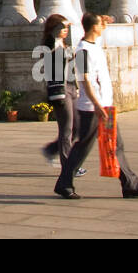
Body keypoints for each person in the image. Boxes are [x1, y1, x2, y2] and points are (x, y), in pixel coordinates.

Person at [54, 12, 138, 200]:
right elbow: (86, 81)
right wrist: (97, 105)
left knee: (116, 144)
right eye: (101, 24)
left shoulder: (94, 44)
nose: (103, 27)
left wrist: (104, 20)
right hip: (92, 108)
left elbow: (98, 31)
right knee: (83, 146)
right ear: (94, 27)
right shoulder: (83, 50)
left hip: (104, 106)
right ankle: (64, 184)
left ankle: (130, 185)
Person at [39, 14, 83, 176]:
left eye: (66, 28)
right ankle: (69, 167)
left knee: (78, 127)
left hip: (71, 88)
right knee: (66, 130)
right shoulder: (50, 47)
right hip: (60, 91)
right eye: (62, 28)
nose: (65, 30)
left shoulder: (63, 45)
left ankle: (51, 150)